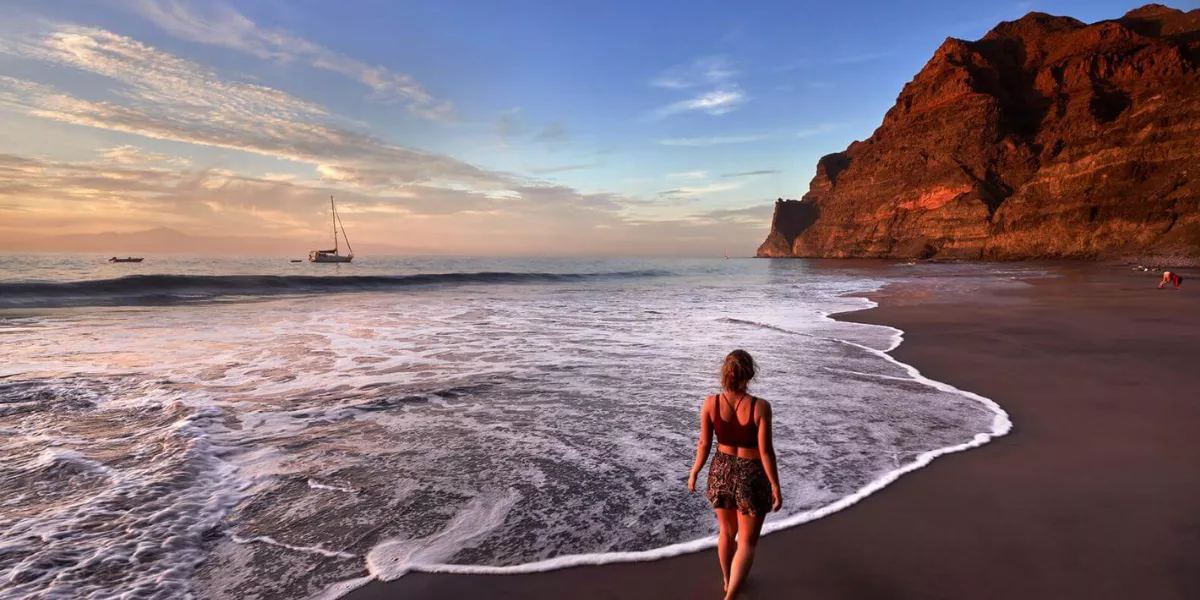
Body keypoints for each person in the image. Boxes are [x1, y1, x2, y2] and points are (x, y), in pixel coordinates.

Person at [687, 349, 782, 599]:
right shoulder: (760, 407)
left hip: (721, 469)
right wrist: (775, 485)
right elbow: (766, 452)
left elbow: (703, 444)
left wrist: (695, 472)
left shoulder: (711, 403)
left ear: (724, 374)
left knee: (726, 532)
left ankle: (728, 580)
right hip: (750, 474)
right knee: (747, 542)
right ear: (749, 374)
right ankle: (731, 596)